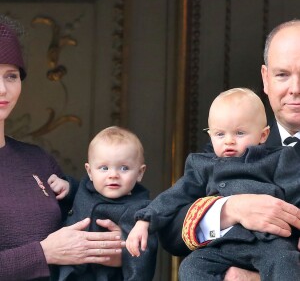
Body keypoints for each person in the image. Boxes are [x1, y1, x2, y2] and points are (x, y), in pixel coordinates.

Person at [159, 19, 300, 281]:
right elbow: (170, 231)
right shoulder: (231, 147)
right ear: (265, 79)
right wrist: (230, 209)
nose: (295, 89)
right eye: (282, 75)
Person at [126, 88, 300, 280]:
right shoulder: (204, 165)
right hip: (223, 244)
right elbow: (175, 196)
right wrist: (145, 220)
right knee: (191, 267)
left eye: (240, 133)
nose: (229, 141)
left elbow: (296, 192)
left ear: (263, 135)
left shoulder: (278, 158)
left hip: (269, 242)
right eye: (219, 134)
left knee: (285, 261)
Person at [0, 15, 124, 281]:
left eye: (11, 76)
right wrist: (43, 254)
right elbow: (54, 252)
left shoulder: (37, 161)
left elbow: (77, 247)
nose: (2, 89)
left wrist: (112, 251)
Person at [50, 126, 157, 281]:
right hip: (65, 272)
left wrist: (128, 254)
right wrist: (67, 187)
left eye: (124, 168)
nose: (113, 175)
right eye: (104, 168)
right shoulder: (86, 188)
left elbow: (145, 253)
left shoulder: (141, 211)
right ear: (89, 171)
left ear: (140, 173)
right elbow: (80, 190)